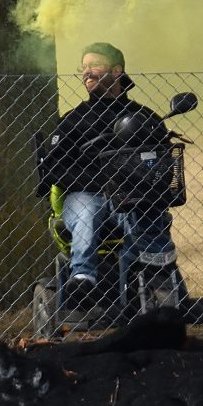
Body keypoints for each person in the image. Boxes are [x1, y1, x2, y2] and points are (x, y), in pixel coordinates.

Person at [39, 42, 172, 308]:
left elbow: (163, 164)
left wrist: (135, 184)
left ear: (117, 71)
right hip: (85, 194)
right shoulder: (73, 120)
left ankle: (151, 275)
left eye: (94, 66)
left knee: (144, 213)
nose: (87, 73)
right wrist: (100, 182)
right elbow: (54, 168)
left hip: (128, 195)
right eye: (84, 67)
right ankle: (82, 278)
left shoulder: (144, 118)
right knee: (87, 211)